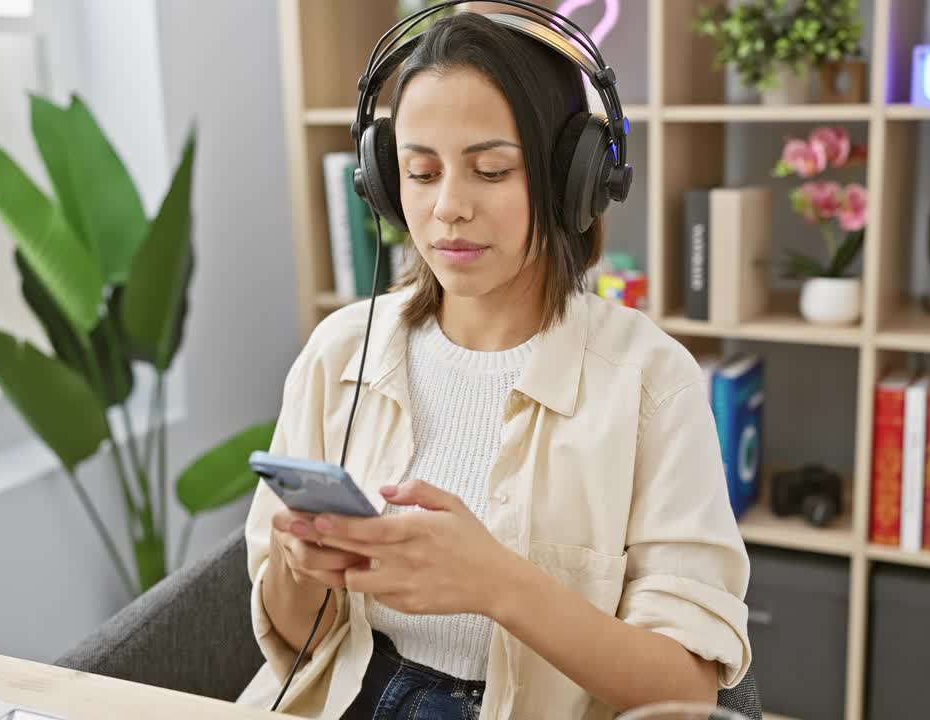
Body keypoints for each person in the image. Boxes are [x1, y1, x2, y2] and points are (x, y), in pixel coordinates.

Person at [238, 9, 751, 720]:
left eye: (491, 170)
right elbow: (298, 646)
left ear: (573, 177)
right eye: (420, 172)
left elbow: (686, 692)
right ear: (384, 183)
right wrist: (302, 573)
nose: (448, 208)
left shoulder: (651, 383)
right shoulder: (338, 353)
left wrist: (499, 585)